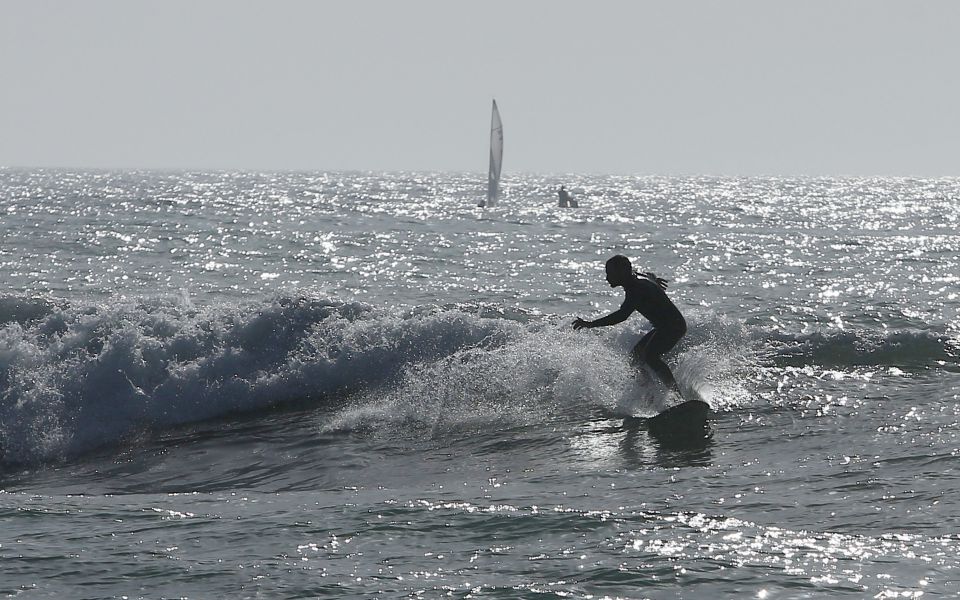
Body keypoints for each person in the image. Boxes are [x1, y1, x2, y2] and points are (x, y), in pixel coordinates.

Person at [573, 255, 687, 398]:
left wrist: (591, 324)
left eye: (610, 274)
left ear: (621, 272)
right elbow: (644, 274)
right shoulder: (635, 279)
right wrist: (654, 280)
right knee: (635, 358)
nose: (607, 278)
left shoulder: (636, 290)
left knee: (651, 356)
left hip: (673, 327)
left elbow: (622, 315)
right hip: (664, 327)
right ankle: (650, 395)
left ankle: (677, 396)